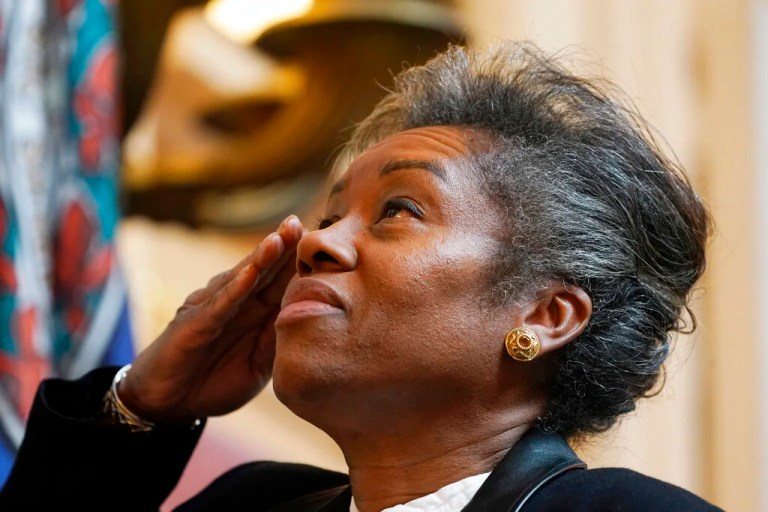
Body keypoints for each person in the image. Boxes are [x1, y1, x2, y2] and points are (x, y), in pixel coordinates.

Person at [0, 42, 721, 511]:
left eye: (399, 210)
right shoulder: (250, 505)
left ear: (546, 316)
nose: (314, 244)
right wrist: (140, 408)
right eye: (330, 213)